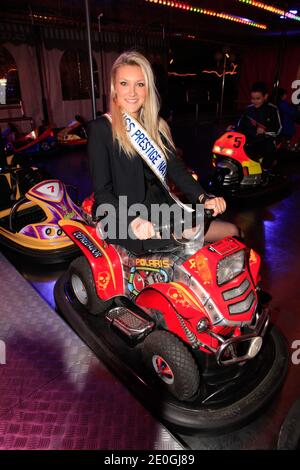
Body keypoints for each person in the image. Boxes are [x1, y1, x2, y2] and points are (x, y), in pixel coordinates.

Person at [88, 50, 238, 254]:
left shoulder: (158, 126)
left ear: (147, 88)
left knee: (231, 231)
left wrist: (204, 198)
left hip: (164, 212)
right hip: (126, 217)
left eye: (139, 84)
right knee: (184, 255)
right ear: (115, 88)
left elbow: (178, 171)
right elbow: (103, 193)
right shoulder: (101, 129)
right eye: (124, 84)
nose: (132, 93)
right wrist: (133, 221)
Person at [236, 81, 282, 169]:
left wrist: (265, 131)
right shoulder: (248, 109)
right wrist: (234, 127)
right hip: (251, 139)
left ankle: (266, 169)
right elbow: (241, 124)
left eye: (258, 98)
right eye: (253, 98)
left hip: (266, 139)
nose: (255, 101)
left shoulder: (272, 109)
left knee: (269, 148)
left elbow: (278, 129)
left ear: (265, 96)